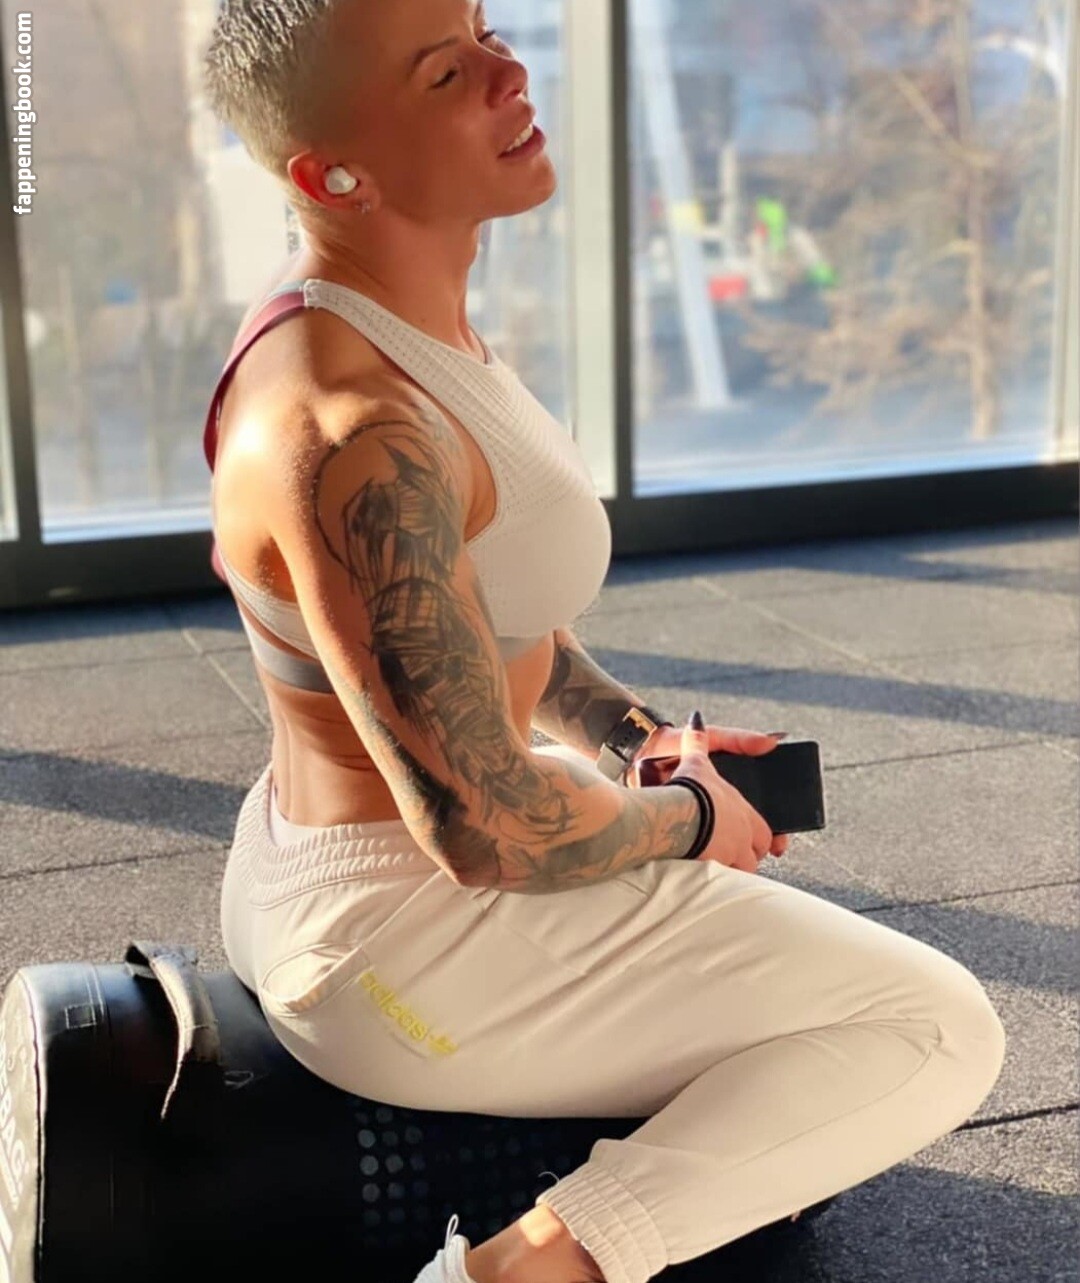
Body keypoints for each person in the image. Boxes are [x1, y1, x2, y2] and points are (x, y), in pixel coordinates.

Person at [199, 4, 1006, 1282]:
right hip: (398, 944)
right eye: (447, 72)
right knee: (937, 1026)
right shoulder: (351, 429)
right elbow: (485, 831)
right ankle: (514, 1269)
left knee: (755, 951)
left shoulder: (399, 314)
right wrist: (689, 819)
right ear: (332, 174)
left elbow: (495, 616)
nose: (510, 71)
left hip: (354, 864)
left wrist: (638, 741)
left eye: (486, 28)